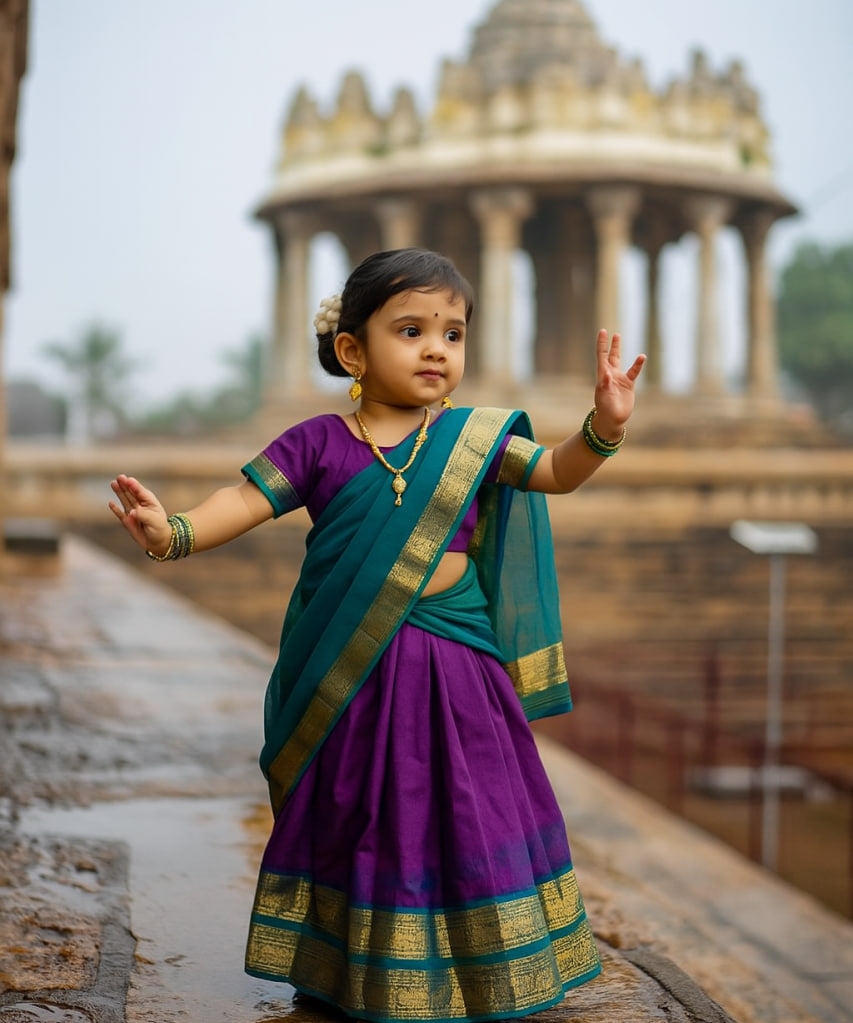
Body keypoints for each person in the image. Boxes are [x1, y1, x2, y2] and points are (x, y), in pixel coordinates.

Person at [109, 248, 645, 1023]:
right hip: (353, 676)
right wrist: (175, 533)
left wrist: (603, 427)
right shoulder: (318, 443)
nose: (436, 349)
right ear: (352, 350)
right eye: (410, 330)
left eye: (452, 333)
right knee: (364, 811)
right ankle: (357, 971)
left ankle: (483, 968)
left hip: (457, 670)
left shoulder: (473, 440)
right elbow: (243, 500)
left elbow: (556, 471)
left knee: (469, 807)